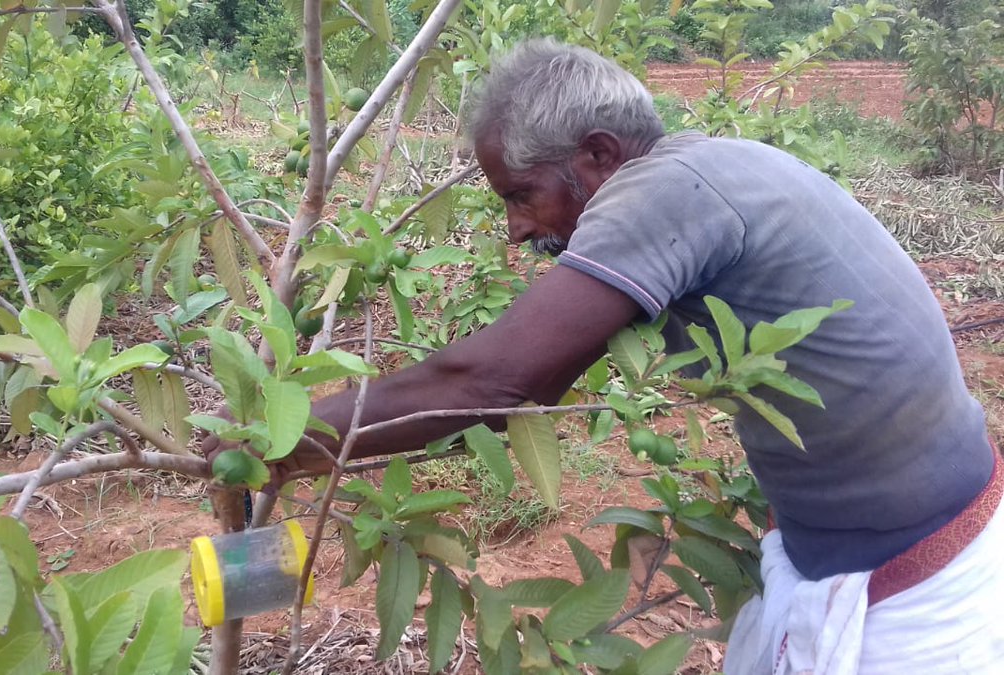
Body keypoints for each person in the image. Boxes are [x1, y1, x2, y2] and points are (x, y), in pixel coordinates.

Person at [209, 39, 1002, 672]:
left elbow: (498, 378)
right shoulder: (703, 167)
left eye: (520, 194)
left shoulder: (658, 189)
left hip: (918, 584)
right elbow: (542, 380)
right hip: (898, 541)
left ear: (595, 154)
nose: (517, 230)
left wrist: (282, 441)